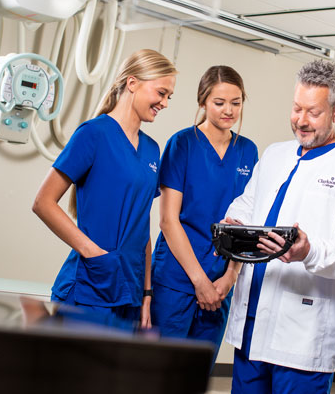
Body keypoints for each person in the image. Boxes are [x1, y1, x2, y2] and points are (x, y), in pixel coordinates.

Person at [221, 59, 335, 394]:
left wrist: (309, 251)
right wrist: (233, 224)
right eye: (297, 108)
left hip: (303, 336)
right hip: (251, 324)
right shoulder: (275, 154)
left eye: (313, 112)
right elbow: (248, 204)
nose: (301, 120)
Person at [32, 49, 177, 329]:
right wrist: (93, 252)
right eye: (161, 93)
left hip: (131, 294)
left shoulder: (151, 149)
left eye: (169, 96)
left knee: (113, 374)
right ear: (132, 83)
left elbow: (141, 225)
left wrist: (147, 293)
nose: (165, 103)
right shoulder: (93, 134)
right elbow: (43, 202)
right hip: (90, 287)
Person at [150, 65, 258, 362]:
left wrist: (230, 278)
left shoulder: (247, 151)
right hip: (178, 278)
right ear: (203, 102)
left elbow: (245, 225)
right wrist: (199, 282)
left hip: (221, 281)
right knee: (161, 373)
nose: (229, 111)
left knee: (196, 374)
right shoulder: (182, 144)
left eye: (236, 103)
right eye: (219, 103)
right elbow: (168, 220)